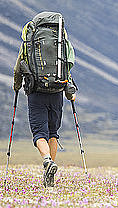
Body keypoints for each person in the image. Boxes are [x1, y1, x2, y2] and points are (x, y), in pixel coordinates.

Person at [13, 11, 76, 188]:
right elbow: (68, 65)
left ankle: (47, 161)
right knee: (53, 132)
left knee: (39, 133)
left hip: (36, 91)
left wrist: (17, 85)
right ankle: (49, 176)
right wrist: (70, 93)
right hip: (56, 91)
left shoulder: (30, 37)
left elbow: (20, 64)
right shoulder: (61, 39)